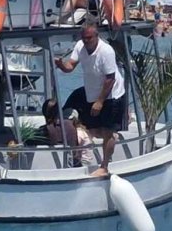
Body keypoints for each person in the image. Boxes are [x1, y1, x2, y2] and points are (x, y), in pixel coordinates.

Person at [54, 23, 127, 177]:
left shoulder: (106, 51)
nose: (86, 41)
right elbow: (70, 66)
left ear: (96, 36)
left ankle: (104, 166)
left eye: (89, 38)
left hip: (111, 95)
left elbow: (110, 79)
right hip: (92, 93)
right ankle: (107, 142)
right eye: (84, 38)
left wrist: (100, 102)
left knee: (107, 131)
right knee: (91, 128)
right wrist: (61, 65)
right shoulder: (80, 46)